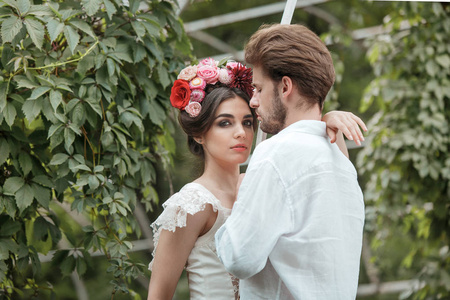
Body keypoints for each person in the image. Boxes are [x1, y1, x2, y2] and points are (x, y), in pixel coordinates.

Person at [148, 57, 366, 299]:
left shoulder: (268, 184)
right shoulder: (191, 204)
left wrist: (325, 122)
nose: (241, 132)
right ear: (199, 133)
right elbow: (159, 295)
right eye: (225, 123)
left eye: (248, 122)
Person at [215, 24, 365, 300]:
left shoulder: (275, 154)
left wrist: (240, 199)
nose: (254, 101)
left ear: (285, 86)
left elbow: (240, 257)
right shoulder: (344, 165)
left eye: (258, 88)